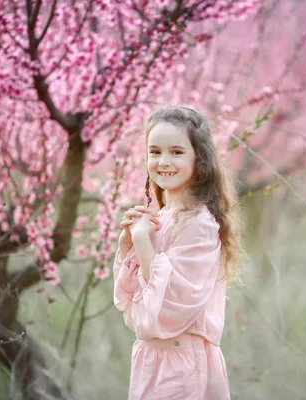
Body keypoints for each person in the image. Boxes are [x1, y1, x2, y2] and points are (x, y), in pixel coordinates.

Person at [113, 105, 242, 399]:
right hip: (150, 361)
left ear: (200, 159)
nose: (163, 161)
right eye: (155, 151)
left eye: (176, 152)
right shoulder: (160, 216)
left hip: (183, 365)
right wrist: (127, 244)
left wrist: (143, 243)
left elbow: (170, 311)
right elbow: (129, 305)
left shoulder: (199, 225)